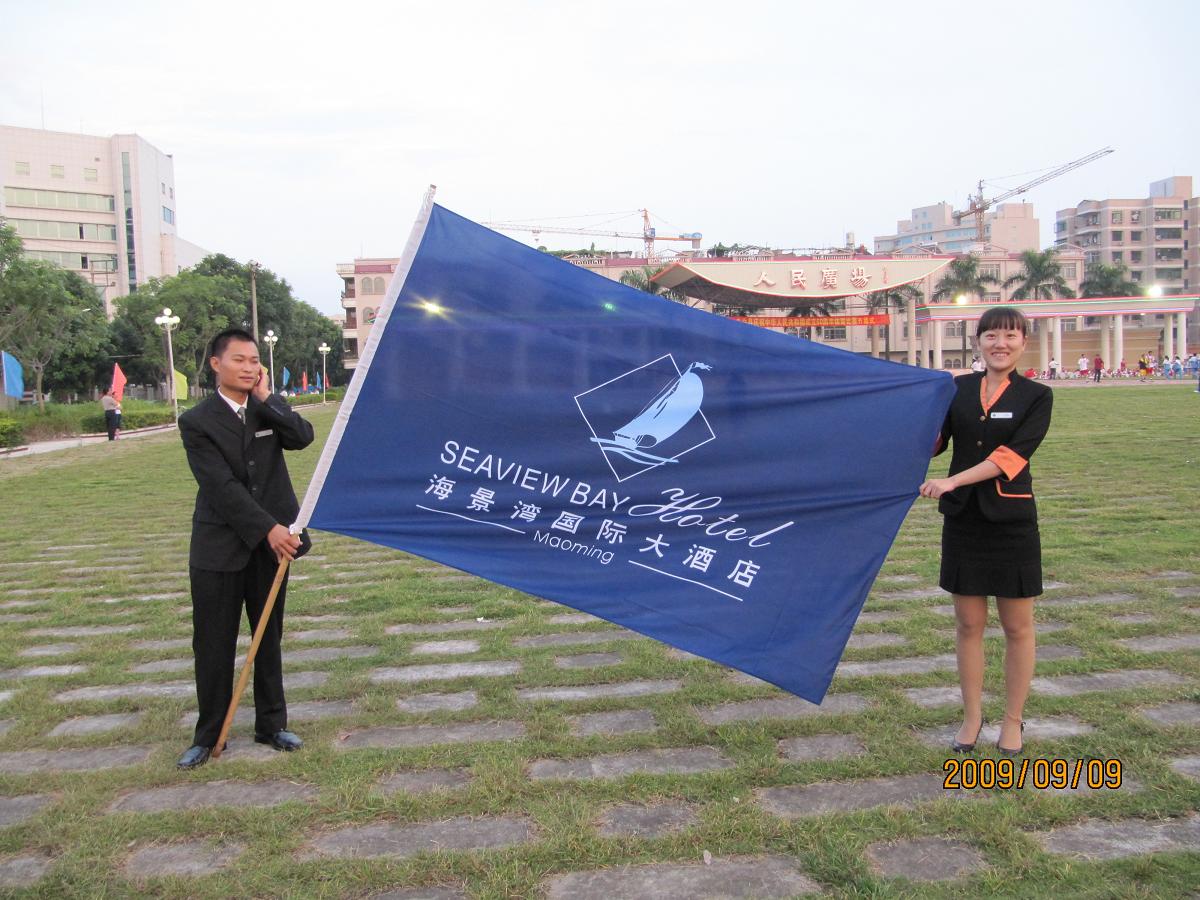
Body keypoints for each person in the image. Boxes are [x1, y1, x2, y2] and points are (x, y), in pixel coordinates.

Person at [175, 328, 315, 770]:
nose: (250, 367)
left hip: (272, 548)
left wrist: (267, 399)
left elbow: (303, 437)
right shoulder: (196, 421)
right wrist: (268, 528)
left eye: (255, 360)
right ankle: (209, 734)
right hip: (219, 545)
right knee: (212, 641)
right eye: (239, 360)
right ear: (216, 364)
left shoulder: (266, 408)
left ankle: (272, 724)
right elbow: (221, 487)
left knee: (267, 635)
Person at [919, 307, 1052, 756]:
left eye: (1010, 336)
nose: (1001, 344)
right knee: (968, 624)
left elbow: (1010, 459)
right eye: (992, 335)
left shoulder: (1037, 396)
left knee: (1018, 626)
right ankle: (972, 716)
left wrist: (952, 481)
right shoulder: (958, 389)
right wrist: (920, 407)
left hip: (1011, 523)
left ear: (1024, 342)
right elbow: (935, 445)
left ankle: (1013, 720)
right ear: (978, 341)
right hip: (964, 522)